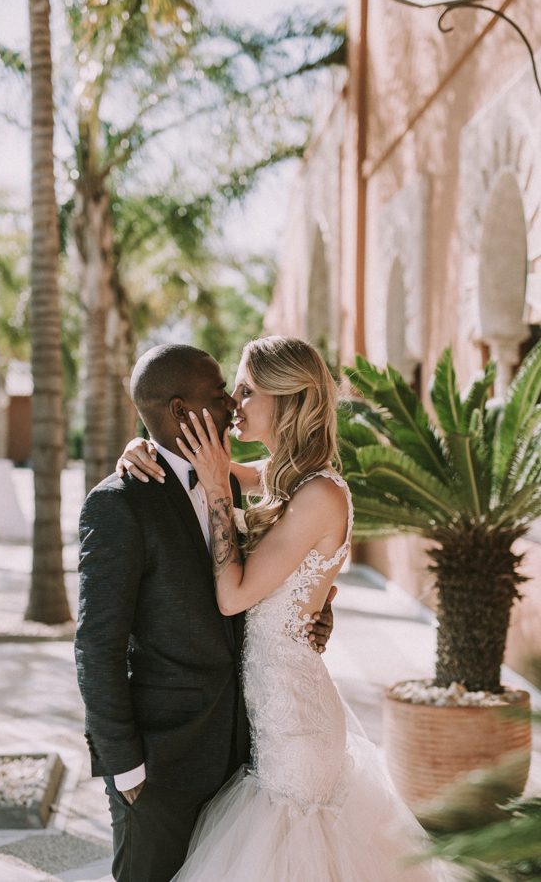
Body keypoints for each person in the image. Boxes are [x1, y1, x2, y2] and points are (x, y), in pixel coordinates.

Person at [123, 335, 448, 881]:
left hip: (295, 722)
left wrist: (219, 494)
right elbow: (206, 466)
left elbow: (233, 594)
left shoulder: (320, 494)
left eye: (247, 390)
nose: (234, 404)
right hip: (270, 710)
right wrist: (141, 449)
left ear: (286, 397)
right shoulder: (282, 476)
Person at [74, 343, 335, 882]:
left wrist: (317, 605)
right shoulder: (121, 502)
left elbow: (263, 582)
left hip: (248, 750)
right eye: (221, 396)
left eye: (241, 392)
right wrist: (125, 767)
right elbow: (95, 647)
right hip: (160, 764)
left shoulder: (239, 482)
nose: (232, 407)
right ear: (179, 412)